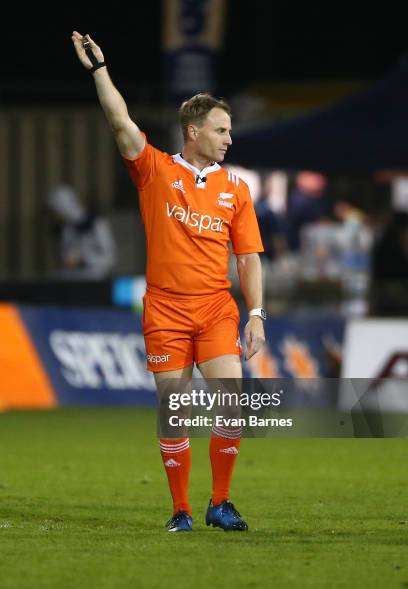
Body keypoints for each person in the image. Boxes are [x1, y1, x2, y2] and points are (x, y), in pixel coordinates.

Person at [72, 31, 265, 532]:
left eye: (229, 131)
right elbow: (119, 120)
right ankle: (180, 509)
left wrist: (257, 313)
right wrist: (99, 70)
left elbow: (247, 256)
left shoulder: (236, 189)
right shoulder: (154, 170)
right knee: (172, 408)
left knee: (232, 401)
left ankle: (219, 502)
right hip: (166, 309)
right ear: (193, 131)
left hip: (216, 309)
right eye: (221, 130)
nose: (229, 139)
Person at [47, 184, 117, 279]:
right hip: (72, 280)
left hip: (95, 279)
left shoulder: (97, 224)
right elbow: (66, 257)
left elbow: (110, 258)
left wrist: (83, 259)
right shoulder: (67, 229)